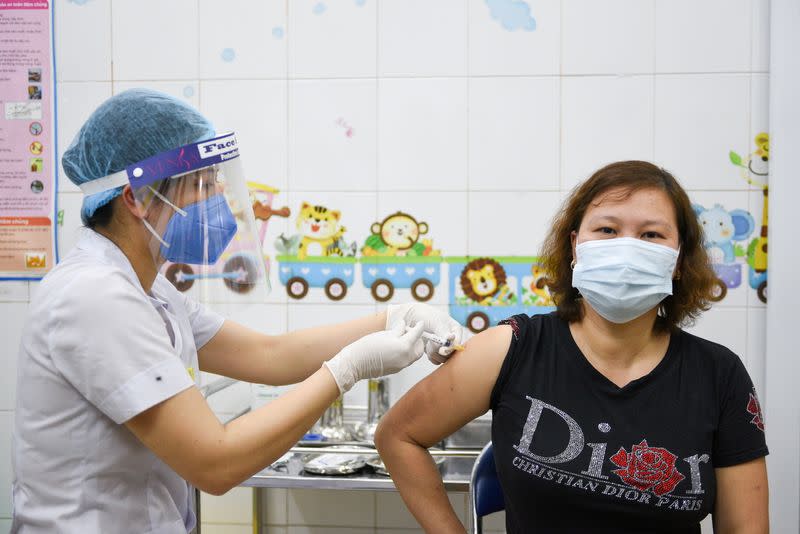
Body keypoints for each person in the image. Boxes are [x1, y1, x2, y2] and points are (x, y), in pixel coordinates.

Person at [11, 89, 463, 533]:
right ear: (136, 197)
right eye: (200, 185)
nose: (218, 200)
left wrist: (392, 318)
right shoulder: (94, 297)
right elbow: (216, 461)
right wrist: (347, 369)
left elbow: (270, 355)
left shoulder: (151, 290)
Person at [375, 161, 769, 533]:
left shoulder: (719, 375)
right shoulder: (512, 348)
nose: (626, 250)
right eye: (608, 230)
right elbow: (398, 436)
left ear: (679, 259)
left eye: (651, 235)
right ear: (576, 246)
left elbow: (745, 526)